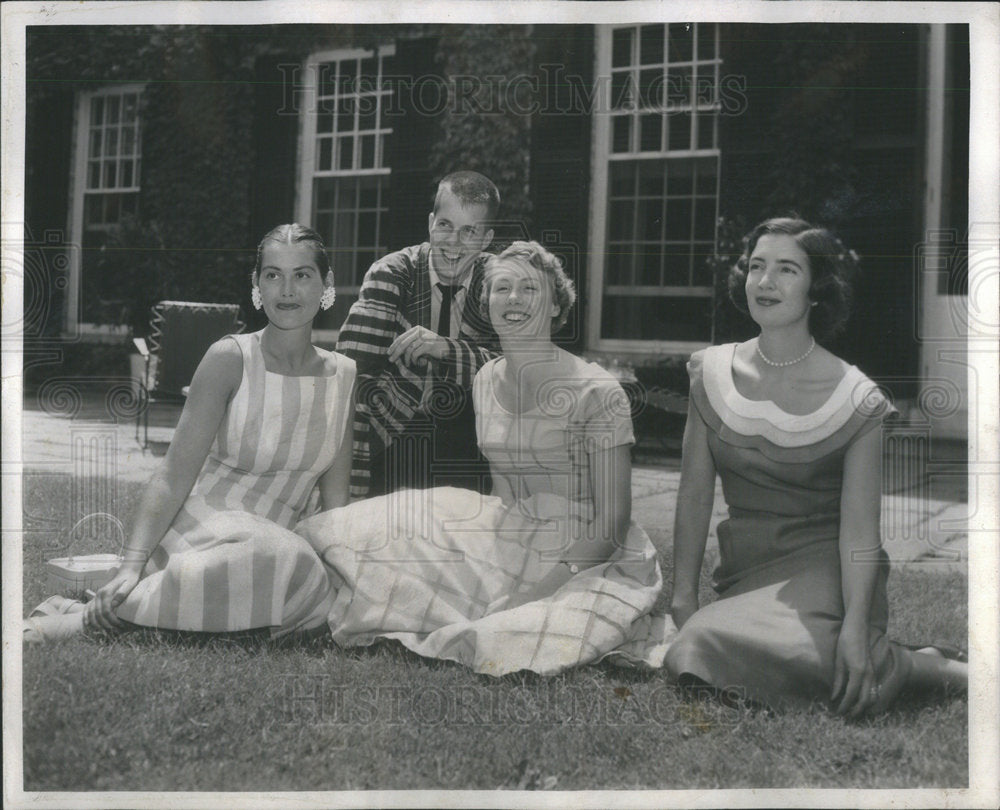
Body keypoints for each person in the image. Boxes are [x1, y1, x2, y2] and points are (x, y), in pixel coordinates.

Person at [298, 241, 675, 676]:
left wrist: (539, 590)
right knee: (392, 525)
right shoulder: (485, 379)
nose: (514, 299)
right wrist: (486, 565)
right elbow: (503, 493)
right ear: (487, 303)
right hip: (512, 532)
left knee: (505, 635)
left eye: (530, 289)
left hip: (586, 552)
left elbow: (612, 522)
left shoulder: (598, 391)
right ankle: (298, 580)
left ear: (556, 306)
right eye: (502, 288)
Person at [665, 217, 968, 713]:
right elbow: (694, 495)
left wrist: (856, 626)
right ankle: (904, 659)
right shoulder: (710, 372)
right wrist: (682, 597)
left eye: (787, 269)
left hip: (828, 567)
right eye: (757, 266)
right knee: (694, 646)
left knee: (796, 654)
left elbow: (860, 530)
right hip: (747, 567)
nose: (766, 282)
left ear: (816, 291)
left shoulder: (857, 398)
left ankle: (924, 666)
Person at [24, 224, 356, 642]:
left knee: (308, 582)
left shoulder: (345, 375)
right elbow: (173, 474)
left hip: (284, 553)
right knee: (280, 563)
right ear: (257, 285)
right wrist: (131, 565)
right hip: (207, 534)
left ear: (327, 282)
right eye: (273, 275)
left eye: (302, 275)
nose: (287, 290)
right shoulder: (230, 358)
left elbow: (335, 505)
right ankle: (86, 621)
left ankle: (143, 614)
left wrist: (341, 573)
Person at [335, 170, 501, 498]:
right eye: (445, 225)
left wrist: (446, 349)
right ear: (430, 223)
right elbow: (350, 374)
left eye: (469, 231)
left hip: (473, 438)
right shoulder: (393, 273)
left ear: (486, 239)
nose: (453, 242)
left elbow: (515, 369)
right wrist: (351, 487)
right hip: (396, 433)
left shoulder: (500, 281)